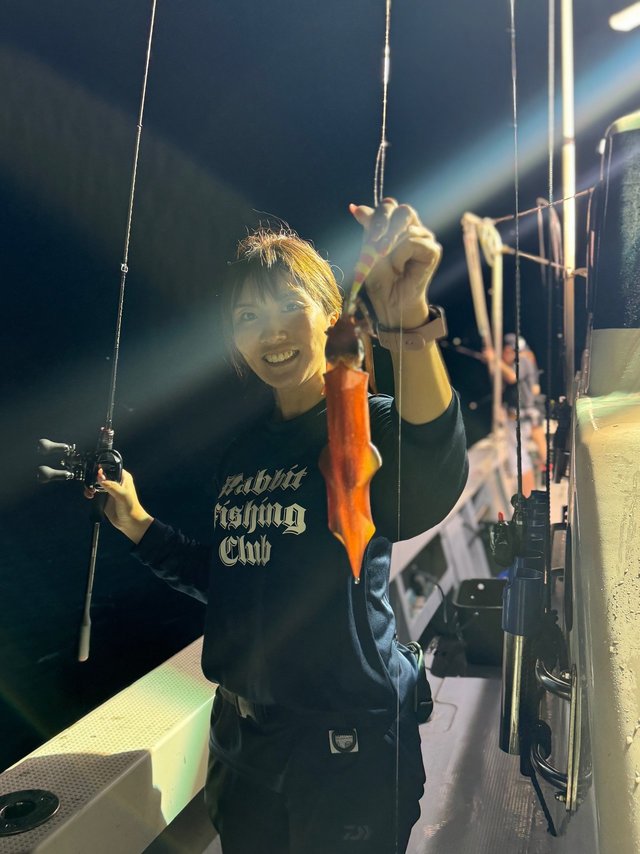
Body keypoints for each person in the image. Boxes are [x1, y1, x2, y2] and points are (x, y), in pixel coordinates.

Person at [88, 198, 468, 853]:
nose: (271, 332)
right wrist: (138, 523)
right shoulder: (243, 454)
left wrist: (407, 316)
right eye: (247, 317)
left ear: (329, 313)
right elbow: (232, 579)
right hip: (243, 744)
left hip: (346, 746)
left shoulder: (363, 422)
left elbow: (433, 464)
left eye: (289, 305)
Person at [483, 333, 543, 497]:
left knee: (520, 459)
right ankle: (530, 494)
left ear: (509, 350)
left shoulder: (522, 361)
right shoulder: (525, 360)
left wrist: (494, 359)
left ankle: (528, 497)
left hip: (520, 419)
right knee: (522, 458)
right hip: (520, 417)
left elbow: (511, 376)